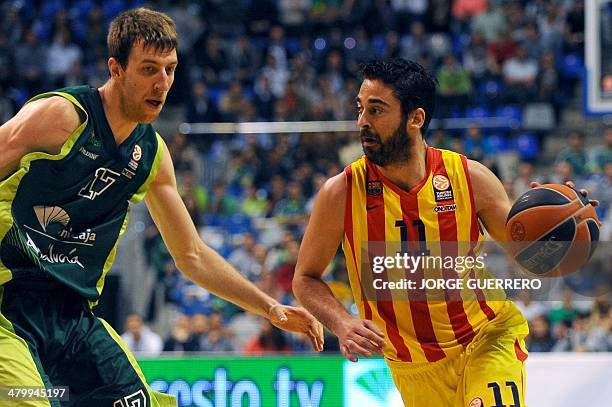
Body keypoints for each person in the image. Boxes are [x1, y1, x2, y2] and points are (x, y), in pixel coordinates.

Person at [0, 8, 322, 407]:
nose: (162, 83)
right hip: (7, 306)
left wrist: (270, 307)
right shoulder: (62, 117)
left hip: (72, 318)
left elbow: (192, 255)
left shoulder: (151, 155)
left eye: (170, 69)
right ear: (115, 68)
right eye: (149, 69)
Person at [293, 58, 597, 407]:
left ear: (415, 118)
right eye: (360, 109)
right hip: (412, 368)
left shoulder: (470, 179)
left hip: (485, 338)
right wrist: (342, 322)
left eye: (376, 110)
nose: (363, 122)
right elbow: (305, 277)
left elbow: (530, 258)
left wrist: (562, 234)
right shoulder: (341, 193)